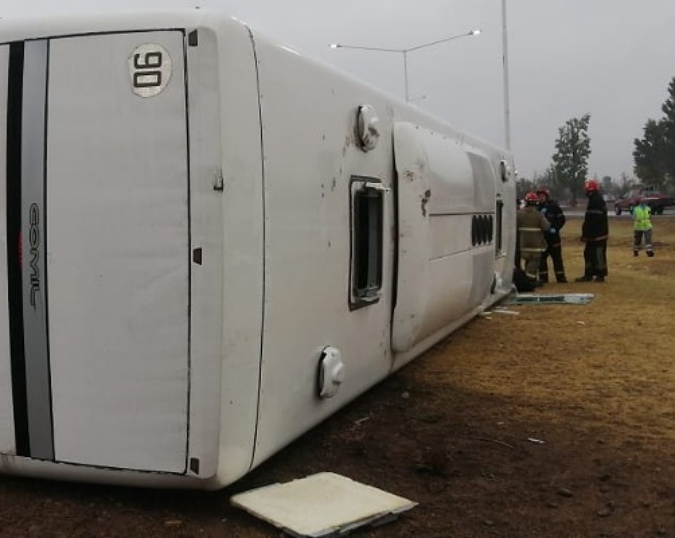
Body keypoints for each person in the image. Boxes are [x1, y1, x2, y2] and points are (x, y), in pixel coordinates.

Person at [575, 179, 609, 282]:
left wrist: (588, 233)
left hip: (598, 234)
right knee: (588, 253)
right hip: (593, 234)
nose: (586, 193)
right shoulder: (594, 199)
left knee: (598, 254)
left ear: (590, 190)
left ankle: (600, 274)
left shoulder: (596, 200)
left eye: (586, 190)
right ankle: (589, 274)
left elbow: (593, 220)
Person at [517, 192, 550, 286]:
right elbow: (546, 227)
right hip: (535, 244)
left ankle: (530, 278)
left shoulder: (519, 214)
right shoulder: (539, 215)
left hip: (523, 243)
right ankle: (530, 280)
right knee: (534, 261)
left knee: (527, 260)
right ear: (536, 203)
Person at [536, 188, 568, 283]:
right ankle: (543, 278)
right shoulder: (537, 208)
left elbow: (561, 219)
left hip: (554, 238)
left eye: (543, 196)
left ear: (547, 196)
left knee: (557, 259)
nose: (541, 198)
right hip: (542, 239)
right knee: (542, 260)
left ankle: (560, 277)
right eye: (539, 196)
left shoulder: (554, 207)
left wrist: (556, 228)